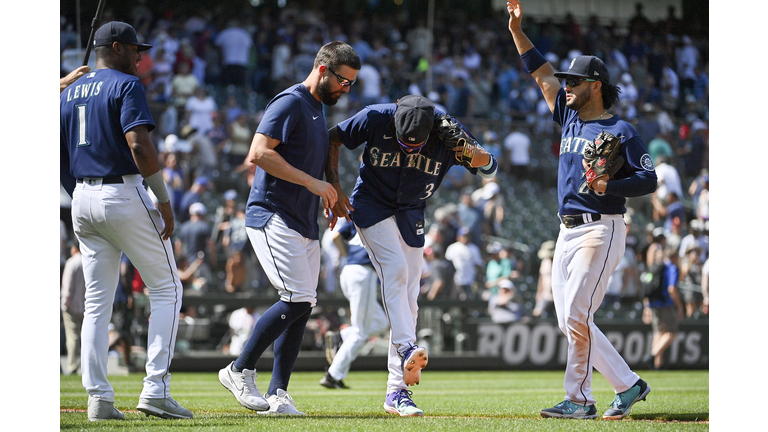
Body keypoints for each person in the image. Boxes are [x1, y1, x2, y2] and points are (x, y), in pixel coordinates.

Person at [506, 1, 657, 420]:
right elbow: (541, 74)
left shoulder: (621, 130)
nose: (566, 85)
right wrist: (517, 31)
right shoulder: (570, 119)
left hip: (599, 229)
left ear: (596, 85)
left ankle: (580, 399)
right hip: (566, 232)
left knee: (577, 314)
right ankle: (628, 384)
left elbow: (648, 180)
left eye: (574, 80)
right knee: (571, 320)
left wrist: (612, 185)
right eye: (567, 80)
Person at [327, 93, 498, 416]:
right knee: (396, 270)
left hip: (411, 211)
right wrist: (334, 185)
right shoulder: (376, 116)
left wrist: (468, 150)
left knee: (410, 300)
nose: (409, 149)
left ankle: (396, 392)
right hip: (371, 204)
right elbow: (331, 138)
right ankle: (407, 347)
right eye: (404, 143)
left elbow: (490, 167)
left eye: (415, 145)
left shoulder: (446, 130)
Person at [217, 41, 361, 416]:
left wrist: (332, 191)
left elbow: (318, 160)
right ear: (322, 70)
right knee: (296, 298)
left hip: (303, 219)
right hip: (272, 213)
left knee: (304, 304)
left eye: (351, 84)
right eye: (343, 81)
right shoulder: (290, 102)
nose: (346, 89)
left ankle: (278, 393)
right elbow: (259, 153)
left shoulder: (315, 108)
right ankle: (239, 369)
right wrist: (314, 184)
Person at [60, 21, 192, 420]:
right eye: (135, 49)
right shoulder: (126, 84)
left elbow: (57, 154)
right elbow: (139, 144)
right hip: (123, 191)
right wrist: (163, 199)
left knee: (96, 303)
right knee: (168, 288)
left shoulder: (65, 92)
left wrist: (79, 190)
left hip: (81, 197)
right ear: (116, 47)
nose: (139, 56)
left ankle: (98, 398)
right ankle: (156, 390)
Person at [320, 219, 389, 389]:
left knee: (381, 322)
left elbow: (336, 237)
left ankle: (342, 336)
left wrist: (348, 256)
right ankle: (333, 375)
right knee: (360, 332)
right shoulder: (381, 215)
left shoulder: (359, 212)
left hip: (350, 270)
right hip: (363, 273)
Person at [642, 246, 684, 369]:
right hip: (666, 304)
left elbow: (646, 287)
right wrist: (679, 306)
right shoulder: (671, 268)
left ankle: (656, 365)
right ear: (674, 257)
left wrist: (646, 306)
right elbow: (672, 288)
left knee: (659, 333)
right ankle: (652, 355)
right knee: (671, 332)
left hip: (653, 304)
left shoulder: (654, 267)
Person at [175, 202, 216, 288]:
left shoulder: (183, 227)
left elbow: (178, 244)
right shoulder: (204, 226)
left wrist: (180, 261)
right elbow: (210, 244)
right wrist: (213, 258)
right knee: (203, 285)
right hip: (201, 263)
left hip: (187, 265)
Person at [61, 241, 86, 375]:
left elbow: (67, 286)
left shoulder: (72, 262)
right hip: (86, 306)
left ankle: (72, 366)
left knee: (73, 338)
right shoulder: (88, 261)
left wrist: (64, 304)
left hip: (72, 307)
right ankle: (85, 365)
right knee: (85, 338)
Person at [533, 240, 555, 318]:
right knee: (537, 313)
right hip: (545, 294)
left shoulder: (559, 263)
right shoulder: (545, 262)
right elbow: (541, 278)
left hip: (557, 295)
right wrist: (539, 292)